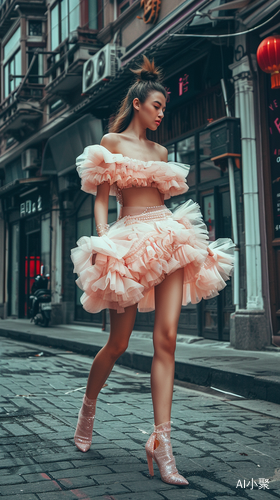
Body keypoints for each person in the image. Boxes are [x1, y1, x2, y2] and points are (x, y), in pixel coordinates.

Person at [70, 55, 235, 486]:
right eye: (157, 105)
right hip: (127, 240)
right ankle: (88, 408)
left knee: (167, 339)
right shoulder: (111, 142)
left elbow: (161, 196)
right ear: (138, 103)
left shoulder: (162, 152)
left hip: (169, 236)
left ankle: (162, 444)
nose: (162, 113)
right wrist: (105, 240)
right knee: (119, 342)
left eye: (164, 107)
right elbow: (102, 198)